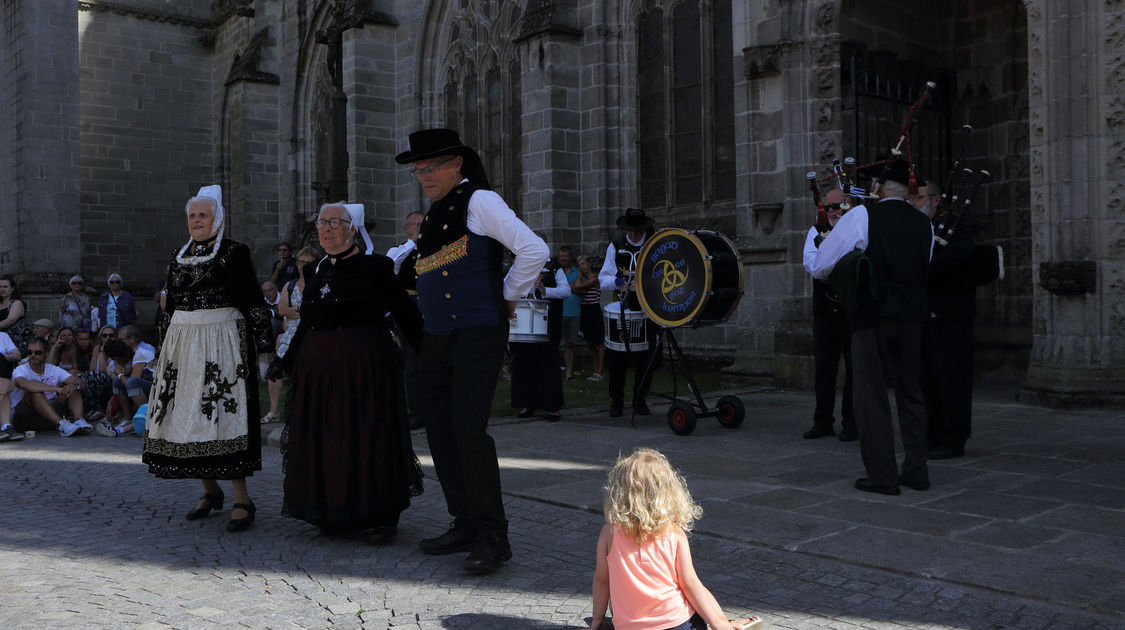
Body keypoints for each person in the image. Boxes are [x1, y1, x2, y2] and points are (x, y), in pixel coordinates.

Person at [396, 128, 548, 574]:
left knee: (467, 429)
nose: (424, 176)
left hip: (478, 332)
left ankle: (492, 534)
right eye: (419, 170)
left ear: (457, 164)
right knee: (440, 431)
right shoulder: (436, 211)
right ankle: (464, 521)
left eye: (432, 167)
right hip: (439, 337)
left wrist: (507, 296)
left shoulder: (479, 200)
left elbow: (533, 249)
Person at [273, 202, 424, 544]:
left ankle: (380, 514)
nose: (326, 229)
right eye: (322, 223)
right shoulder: (315, 272)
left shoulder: (376, 266)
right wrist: (288, 358)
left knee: (369, 435)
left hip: (365, 367)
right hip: (320, 370)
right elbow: (308, 319)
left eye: (334, 222)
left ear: (352, 228)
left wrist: (427, 352)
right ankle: (334, 510)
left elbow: (404, 311)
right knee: (331, 440)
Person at [142, 184, 273, 532]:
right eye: (192, 216)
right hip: (183, 344)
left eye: (203, 215)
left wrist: (263, 345)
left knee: (222, 414)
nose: (196, 221)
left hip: (222, 342)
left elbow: (251, 298)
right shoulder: (178, 255)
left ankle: (242, 499)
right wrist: (164, 347)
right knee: (187, 414)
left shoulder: (234, 252)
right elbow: (171, 304)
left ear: (217, 219)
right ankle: (210, 491)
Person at [810, 161, 934, 495]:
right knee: (911, 393)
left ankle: (882, 475)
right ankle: (916, 469)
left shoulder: (862, 216)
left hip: (872, 316)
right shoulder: (924, 224)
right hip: (913, 319)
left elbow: (821, 265)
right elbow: (926, 267)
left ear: (878, 187)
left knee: (871, 396)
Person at [587, 448, 760, 630]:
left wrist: (597, 620)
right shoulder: (674, 532)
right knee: (693, 591)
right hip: (678, 624)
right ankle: (724, 624)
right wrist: (717, 623)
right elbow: (690, 583)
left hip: (629, 626)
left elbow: (602, 580)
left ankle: (723, 623)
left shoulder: (609, 533)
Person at [914, 180, 977, 460]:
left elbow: (959, 256)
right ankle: (930, 434)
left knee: (951, 378)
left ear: (936, 199)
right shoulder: (914, 226)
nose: (913, 202)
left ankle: (953, 437)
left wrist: (922, 268)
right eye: (910, 197)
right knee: (925, 379)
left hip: (951, 315)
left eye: (918, 197)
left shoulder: (956, 222)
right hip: (922, 314)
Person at [800, 188, 857, 442]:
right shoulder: (815, 232)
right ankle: (822, 421)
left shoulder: (857, 230)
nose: (834, 211)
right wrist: (837, 267)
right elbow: (814, 266)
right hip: (825, 313)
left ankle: (851, 423)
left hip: (851, 311)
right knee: (824, 369)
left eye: (839, 206)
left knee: (855, 370)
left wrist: (830, 265)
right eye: (829, 207)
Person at [598, 208, 660, 418]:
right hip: (623, 308)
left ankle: (639, 400)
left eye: (636, 231)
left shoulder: (654, 245)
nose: (632, 235)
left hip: (648, 309)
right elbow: (603, 278)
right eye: (629, 231)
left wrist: (643, 286)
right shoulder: (616, 247)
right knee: (617, 359)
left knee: (646, 359)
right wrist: (620, 282)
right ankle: (616, 401)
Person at [263, 247, 319, 425]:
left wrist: (296, 311)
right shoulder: (290, 285)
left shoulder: (318, 284)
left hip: (312, 332)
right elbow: (282, 309)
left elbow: (317, 311)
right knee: (276, 366)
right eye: (301, 262)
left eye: (307, 262)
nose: (303, 265)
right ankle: (274, 410)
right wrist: (300, 311)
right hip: (292, 332)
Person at [510, 255, 570, 421]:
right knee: (523, 362)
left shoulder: (554, 268)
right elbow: (507, 286)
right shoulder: (520, 265)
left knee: (548, 362)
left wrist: (545, 291)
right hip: (524, 322)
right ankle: (527, 403)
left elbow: (566, 291)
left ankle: (552, 406)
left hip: (547, 323)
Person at [386, 210, 425, 429]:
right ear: (406, 228)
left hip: (431, 306)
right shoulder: (399, 250)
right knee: (412, 362)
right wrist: (413, 243)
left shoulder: (434, 248)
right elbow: (392, 267)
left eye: (423, 224)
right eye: (416, 224)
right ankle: (416, 412)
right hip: (409, 307)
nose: (420, 228)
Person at [10, 337, 92, 437]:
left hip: (50, 414)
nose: (33, 355)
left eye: (38, 352)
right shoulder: (20, 370)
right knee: (35, 392)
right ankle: (62, 424)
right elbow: (24, 384)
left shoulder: (54, 369)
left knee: (74, 389)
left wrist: (73, 386)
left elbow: (81, 382)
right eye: (29, 352)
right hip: (25, 418)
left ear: (47, 353)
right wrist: (55, 389)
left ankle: (79, 421)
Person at [100, 338, 153, 436]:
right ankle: (127, 418)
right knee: (117, 381)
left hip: (158, 387)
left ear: (116, 358)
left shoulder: (140, 354)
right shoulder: (131, 359)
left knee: (129, 382)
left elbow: (131, 383)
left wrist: (120, 374)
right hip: (149, 386)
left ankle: (144, 416)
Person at [575, 255, 605, 382]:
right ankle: (595, 370)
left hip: (594, 310)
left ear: (589, 264)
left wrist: (578, 275)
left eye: (584, 264)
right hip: (585, 311)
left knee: (598, 343)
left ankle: (600, 371)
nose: (582, 267)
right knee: (591, 343)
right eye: (580, 265)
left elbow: (577, 287)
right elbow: (578, 285)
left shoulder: (594, 279)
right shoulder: (583, 278)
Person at [555, 246, 583, 381]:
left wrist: (568, 287)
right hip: (558, 312)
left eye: (566, 256)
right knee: (555, 343)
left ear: (570, 257)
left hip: (574, 312)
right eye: (561, 256)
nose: (563, 258)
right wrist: (571, 286)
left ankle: (569, 373)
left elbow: (582, 290)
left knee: (570, 344)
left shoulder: (576, 272)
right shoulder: (555, 271)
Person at [0, 275, 32, 354]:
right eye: (0, 287)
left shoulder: (17, 303)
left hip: (16, 342)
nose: (2, 289)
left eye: (5, 287)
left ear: (13, 288)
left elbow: (10, 320)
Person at [0, 331, 23, 442]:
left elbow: (17, 355)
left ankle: (6, 427)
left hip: (3, 376)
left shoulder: (2, 336)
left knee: (4, 385)